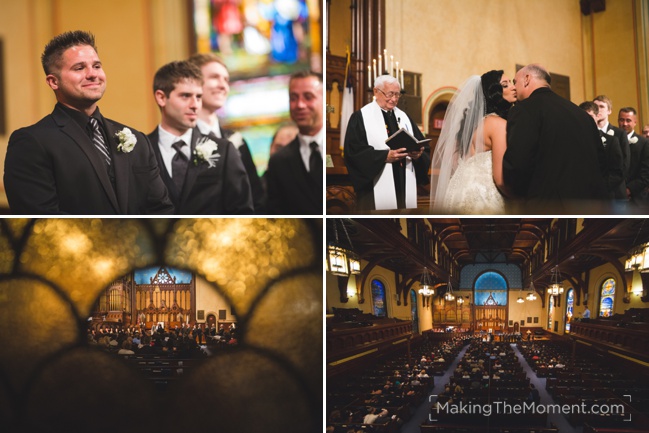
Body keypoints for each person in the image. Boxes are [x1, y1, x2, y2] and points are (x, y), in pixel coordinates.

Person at [4, 30, 174, 215]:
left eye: (97, 66)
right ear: (53, 82)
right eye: (79, 68)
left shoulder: (138, 140)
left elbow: (162, 211)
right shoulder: (32, 142)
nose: (92, 74)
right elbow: (39, 221)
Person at [148, 61, 253, 214]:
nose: (195, 105)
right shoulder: (141, 151)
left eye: (198, 97)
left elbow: (242, 211)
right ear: (161, 98)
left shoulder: (223, 150)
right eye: (185, 96)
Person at [503, 64, 607, 213]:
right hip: (591, 206)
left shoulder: (523, 109)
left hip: (549, 206)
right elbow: (601, 162)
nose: (514, 87)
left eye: (515, 82)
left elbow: (518, 162)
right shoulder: (582, 115)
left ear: (527, 79)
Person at [187, 53, 265, 213]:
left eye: (226, 80)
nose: (223, 86)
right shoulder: (181, 139)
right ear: (192, 82)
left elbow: (256, 196)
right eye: (215, 77)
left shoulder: (237, 140)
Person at [430, 70, 516, 213]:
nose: (513, 87)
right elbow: (500, 179)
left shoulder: (479, 124)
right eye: (505, 85)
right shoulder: (498, 124)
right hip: (482, 197)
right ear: (494, 93)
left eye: (512, 83)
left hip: (459, 191)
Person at [344, 75, 429, 211]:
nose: (394, 99)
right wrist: (384, 156)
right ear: (376, 91)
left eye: (397, 94)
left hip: (404, 182)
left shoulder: (405, 117)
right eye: (390, 94)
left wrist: (418, 154)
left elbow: (424, 148)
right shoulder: (361, 117)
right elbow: (353, 153)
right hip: (374, 188)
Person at [266, 70, 323, 214]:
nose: (300, 105)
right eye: (293, 98)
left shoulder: (338, 150)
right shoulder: (278, 162)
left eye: (308, 97)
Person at [578, 101, 625, 202]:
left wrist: (598, 187)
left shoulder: (611, 141)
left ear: (597, 116)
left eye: (590, 116)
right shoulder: (574, 142)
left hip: (606, 196)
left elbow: (617, 172)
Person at [618, 107, 649, 208]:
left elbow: (646, 174)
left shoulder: (644, 143)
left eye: (628, 120)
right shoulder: (613, 140)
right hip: (614, 198)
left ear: (635, 122)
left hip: (636, 199)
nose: (625, 124)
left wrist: (628, 189)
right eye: (622, 120)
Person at [594, 95, 630, 177]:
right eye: (595, 106)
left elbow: (625, 163)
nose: (598, 109)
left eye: (601, 106)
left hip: (614, 185)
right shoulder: (588, 132)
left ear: (609, 111)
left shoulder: (620, 134)